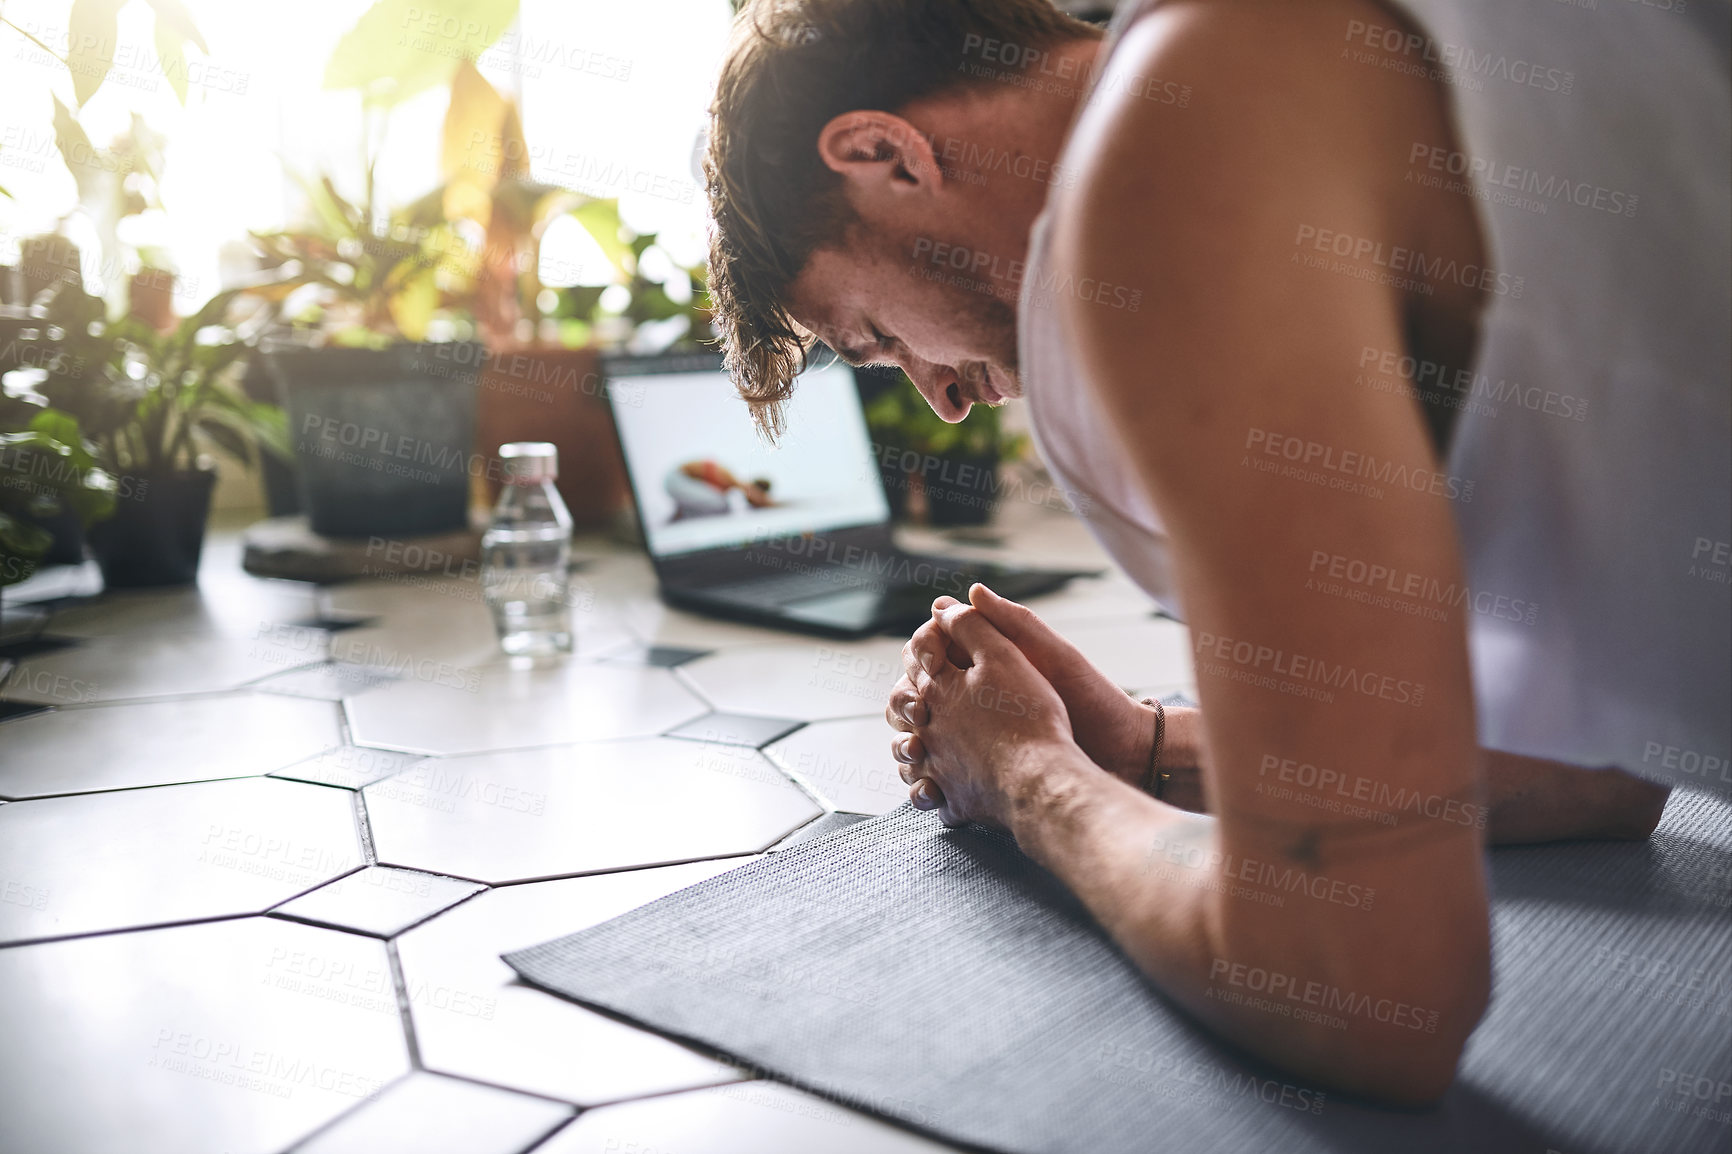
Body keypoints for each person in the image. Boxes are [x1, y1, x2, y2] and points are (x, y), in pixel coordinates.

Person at [702, 0, 1730, 1102]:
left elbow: (1361, 979)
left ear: (883, 155)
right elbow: (1602, 772)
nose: (942, 398)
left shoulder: (1170, 163)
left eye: (881, 338)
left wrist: (1024, 775)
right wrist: (1137, 745)